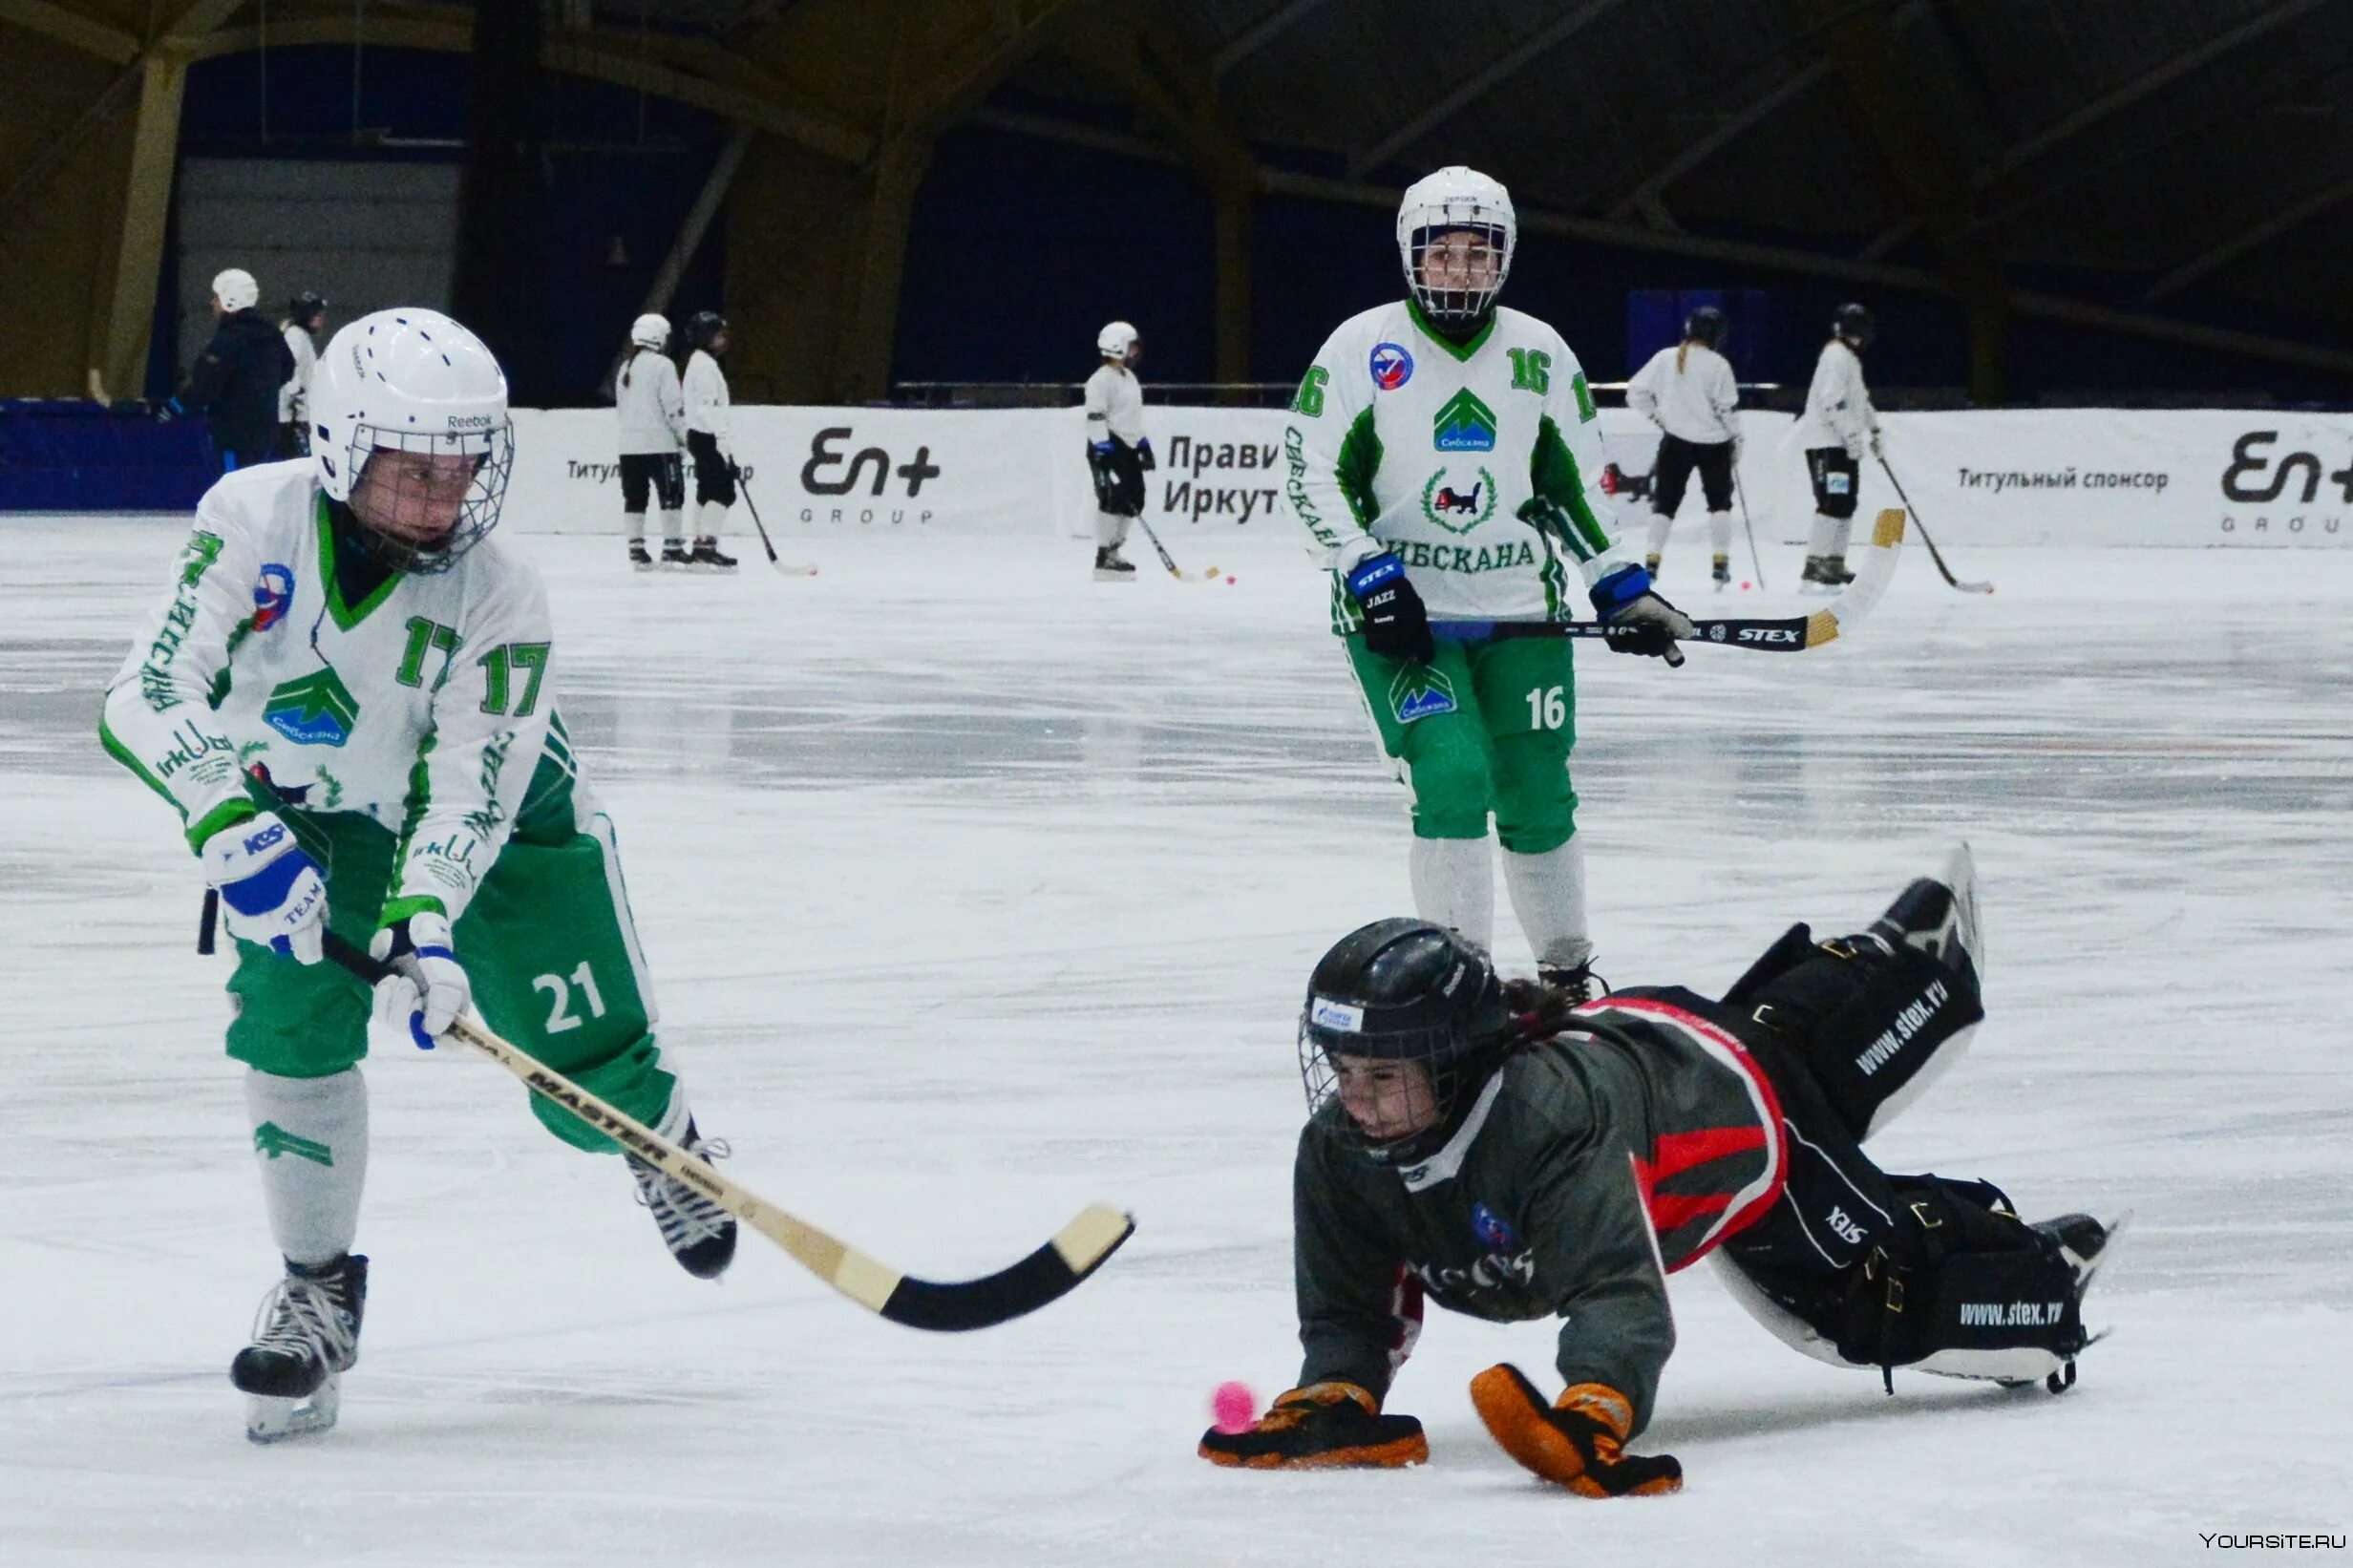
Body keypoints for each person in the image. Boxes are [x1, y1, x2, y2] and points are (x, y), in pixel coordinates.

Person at [98, 307, 740, 1445]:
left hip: (500, 817)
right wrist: (231, 824)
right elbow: (147, 695)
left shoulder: (500, 590)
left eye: (459, 472)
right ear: (341, 445)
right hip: (310, 811)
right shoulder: (250, 519)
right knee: (292, 1022)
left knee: (577, 1069)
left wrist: (428, 920)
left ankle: (665, 1138)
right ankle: (317, 1292)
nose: (439, 502)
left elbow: (473, 783)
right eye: (410, 473)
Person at [1198, 849, 2121, 1494]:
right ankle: (1898, 957)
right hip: (1657, 1047)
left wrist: (1598, 1404)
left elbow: (1617, 1289)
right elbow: (1351, 1297)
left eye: (1384, 1075)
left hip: (1748, 1124)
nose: (1355, 1099)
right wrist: (1338, 1387)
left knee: (1866, 1299)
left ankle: (2043, 1267)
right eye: (1346, 1069)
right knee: (1782, 1037)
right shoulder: (1341, 1147)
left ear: (1454, 1062)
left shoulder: (1549, 1128)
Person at [1282, 165, 1694, 1000]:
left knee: (1537, 788)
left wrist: (1617, 585)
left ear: (1503, 260)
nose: (1460, 270)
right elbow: (1310, 470)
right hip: (1402, 621)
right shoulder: (1363, 349)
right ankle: (1458, 982)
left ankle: (1568, 975)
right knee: (1455, 776)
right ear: (1412, 255)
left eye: (1479, 253)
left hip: (1518, 617)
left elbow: (1573, 484)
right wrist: (1369, 570)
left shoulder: (1540, 354)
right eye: (1444, 253)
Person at [1623, 305, 1740, 590]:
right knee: (1720, 505)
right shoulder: (1718, 365)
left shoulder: (1666, 357)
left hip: (1676, 440)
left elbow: (1635, 392)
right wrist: (1736, 440)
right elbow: (1726, 409)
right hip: (1715, 444)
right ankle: (1720, 566)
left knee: (1664, 504)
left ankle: (1651, 564)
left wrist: (1659, 417)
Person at [165, 267, 296, 472]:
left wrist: (175, 405)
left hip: (233, 433)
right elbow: (287, 369)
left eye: (216, 297)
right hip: (266, 431)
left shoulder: (228, 340)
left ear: (230, 300)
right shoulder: (271, 334)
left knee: (233, 490)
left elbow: (205, 386)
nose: (212, 303)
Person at [1793, 303, 1882, 587]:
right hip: (1827, 444)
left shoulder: (1850, 359)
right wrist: (1851, 435)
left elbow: (1860, 400)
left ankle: (1834, 561)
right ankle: (1814, 563)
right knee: (1831, 502)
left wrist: (1874, 430)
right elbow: (1831, 400)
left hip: (1843, 445)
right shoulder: (1835, 356)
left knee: (1846, 502)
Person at [615, 312, 688, 571]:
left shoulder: (626, 367)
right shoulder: (663, 365)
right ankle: (673, 547)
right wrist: (685, 437)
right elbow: (673, 409)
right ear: (658, 336)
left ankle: (636, 549)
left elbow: (622, 408)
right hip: (660, 445)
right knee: (671, 495)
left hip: (629, 446)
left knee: (634, 498)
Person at [1083, 320, 1153, 580]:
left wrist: (1143, 445)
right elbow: (1095, 415)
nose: (1136, 351)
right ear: (1118, 347)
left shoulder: (1129, 378)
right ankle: (1103, 557)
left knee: (1134, 498)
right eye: (1131, 346)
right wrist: (1103, 449)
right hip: (1109, 446)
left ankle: (1116, 549)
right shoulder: (1100, 380)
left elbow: (1131, 417)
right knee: (1112, 499)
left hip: (1128, 446)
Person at [678, 310, 740, 572]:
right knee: (723, 491)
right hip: (707, 435)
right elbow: (705, 409)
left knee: (707, 490)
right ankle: (706, 546)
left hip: (701, 435)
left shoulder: (699, 361)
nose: (723, 340)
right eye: (718, 335)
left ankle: (702, 545)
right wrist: (721, 440)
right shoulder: (703, 365)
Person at [277, 291, 328, 457]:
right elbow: (288, 370)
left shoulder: (299, 335)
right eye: (317, 315)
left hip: (295, 417)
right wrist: (299, 400)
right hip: (293, 420)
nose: (321, 320)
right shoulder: (295, 336)